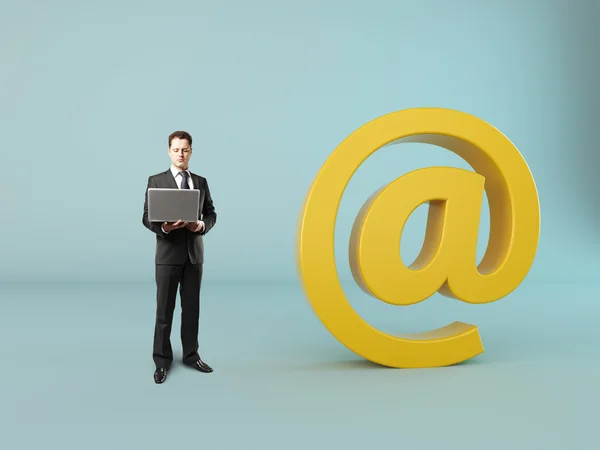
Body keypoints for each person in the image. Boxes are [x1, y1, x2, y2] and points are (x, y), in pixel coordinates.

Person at [142, 130, 217, 384]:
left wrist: (201, 225)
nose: (180, 154)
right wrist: (165, 228)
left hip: (194, 256)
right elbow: (146, 217)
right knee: (164, 310)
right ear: (169, 151)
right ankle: (161, 362)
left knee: (191, 309)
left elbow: (211, 214)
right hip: (167, 256)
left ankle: (191, 355)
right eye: (176, 149)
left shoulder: (201, 181)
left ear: (191, 151)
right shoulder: (156, 180)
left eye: (185, 149)